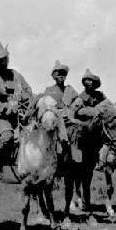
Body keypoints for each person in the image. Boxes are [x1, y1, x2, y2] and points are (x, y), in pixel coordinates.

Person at [0, 39, 33, 180]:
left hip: (20, 114)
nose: (2, 62)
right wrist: (6, 107)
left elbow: (28, 92)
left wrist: (20, 99)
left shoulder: (16, 75)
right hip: (0, 118)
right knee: (7, 136)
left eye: (3, 59)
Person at [43, 60, 79, 215]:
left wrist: (73, 107)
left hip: (69, 125)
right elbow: (45, 107)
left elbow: (79, 102)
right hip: (54, 126)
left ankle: (83, 162)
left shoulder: (71, 90)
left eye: (63, 73)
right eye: (58, 73)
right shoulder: (48, 90)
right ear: (53, 75)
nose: (61, 75)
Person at [69, 68, 108, 212]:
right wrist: (80, 117)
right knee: (79, 170)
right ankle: (77, 197)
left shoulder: (101, 96)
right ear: (84, 83)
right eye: (86, 81)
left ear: (95, 83)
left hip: (97, 133)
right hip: (83, 133)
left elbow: (107, 107)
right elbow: (72, 112)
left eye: (90, 80)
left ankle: (102, 161)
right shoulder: (80, 98)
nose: (88, 83)